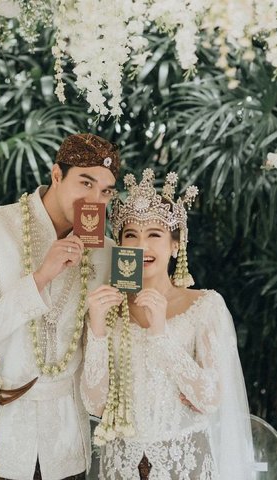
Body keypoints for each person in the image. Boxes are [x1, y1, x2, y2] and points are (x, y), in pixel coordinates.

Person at [0, 133, 120, 480]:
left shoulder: (106, 251)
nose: (95, 200)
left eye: (105, 191)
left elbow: (109, 345)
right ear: (56, 175)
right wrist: (39, 278)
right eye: (85, 182)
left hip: (66, 448)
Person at [81, 168, 254, 479]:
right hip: (121, 464)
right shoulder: (105, 309)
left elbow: (211, 398)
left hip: (183, 462)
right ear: (120, 244)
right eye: (131, 234)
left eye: (155, 235)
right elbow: (96, 405)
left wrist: (161, 334)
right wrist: (96, 330)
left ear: (176, 245)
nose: (142, 246)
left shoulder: (204, 306)